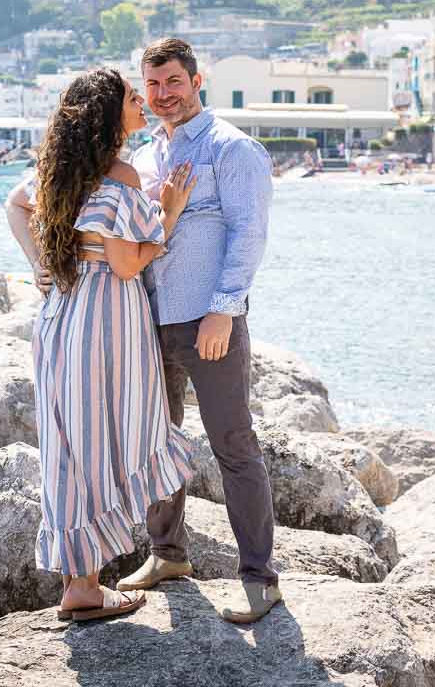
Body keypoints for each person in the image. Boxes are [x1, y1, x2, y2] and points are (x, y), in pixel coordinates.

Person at [4, 67, 196, 622]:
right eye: (134, 98)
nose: (144, 103)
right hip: (107, 316)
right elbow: (126, 261)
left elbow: (16, 205)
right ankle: (84, 586)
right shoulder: (121, 175)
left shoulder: (58, 170)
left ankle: (80, 582)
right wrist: (170, 213)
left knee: (70, 445)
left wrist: (41, 264)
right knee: (114, 434)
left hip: (61, 313)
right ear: (112, 115)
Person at [113, 38, 282, 624]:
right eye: (153, 85)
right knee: (154, 442)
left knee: (234, 446)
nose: (163, 96)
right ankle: (167, 554)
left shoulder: (232, 148)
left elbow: (248, 233)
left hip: (209, 321)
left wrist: (224, 309)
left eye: (173, 83)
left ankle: (260, 578)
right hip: (148, 321)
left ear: (197, 80)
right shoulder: (144, 157)